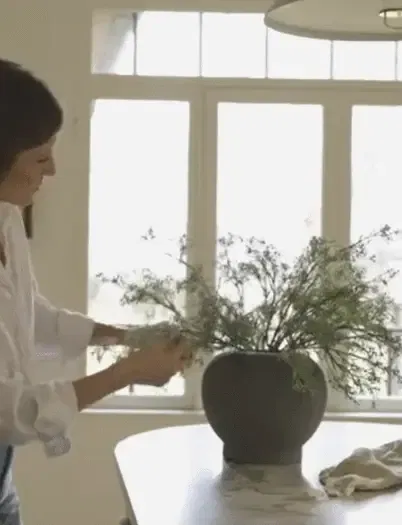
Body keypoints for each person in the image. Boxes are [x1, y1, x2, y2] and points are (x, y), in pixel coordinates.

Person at [0, 58, 190, 524]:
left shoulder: (6, 219)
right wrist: (128, 372)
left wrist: (124, 336)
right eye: (40, 158)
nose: (52, 170)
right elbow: (14, 411)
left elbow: (30, 315)